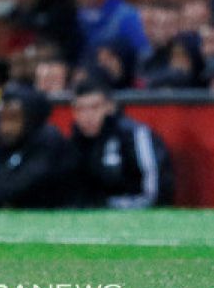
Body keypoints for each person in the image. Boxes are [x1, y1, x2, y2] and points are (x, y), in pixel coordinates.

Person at [70, 80, 174, 208]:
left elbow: (157, 192)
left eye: (95, 107)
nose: (87, 116)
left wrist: (111, 206)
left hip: (136, 214)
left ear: (110, 107)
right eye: (80, 109)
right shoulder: (75, 142)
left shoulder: (135, 135)